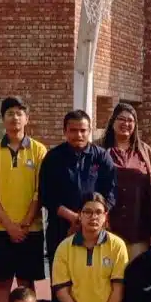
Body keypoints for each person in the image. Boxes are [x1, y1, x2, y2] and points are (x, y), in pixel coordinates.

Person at [0, 97, 48, 302]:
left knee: (26, 284)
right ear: (3, 119)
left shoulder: (39, 151)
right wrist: (10, 226)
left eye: (19, 113)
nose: (15, 117)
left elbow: (40, 192)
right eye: (10, 113)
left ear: (27, 118)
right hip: (0, 230)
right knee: (2, 284)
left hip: (31, 230)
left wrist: (26, 223)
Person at [40, 109, 117, 257]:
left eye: (83, 130)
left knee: (93, 275)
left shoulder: (101, 157)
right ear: (65, 131)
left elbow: (111, 193)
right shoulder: (53, 158)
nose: (79, 135)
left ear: (89, 131)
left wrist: (91, 217)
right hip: (61, 227)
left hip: (95, 227)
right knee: (61, 276)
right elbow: (46, 194)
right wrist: (74, 217)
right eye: (73, 130)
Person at [102, 103, 151, 260]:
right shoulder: (100, 149)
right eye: (121, 119)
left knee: (137, 276)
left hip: (139, 227)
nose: (125, 124)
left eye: (130, 120)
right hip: (108, 227)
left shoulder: (145, 152)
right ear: (112, 121)